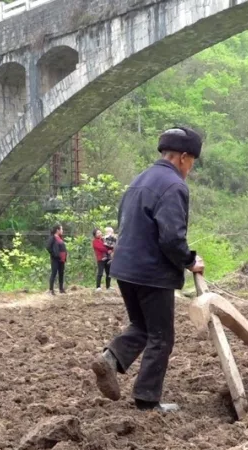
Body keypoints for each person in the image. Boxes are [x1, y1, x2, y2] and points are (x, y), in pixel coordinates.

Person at [90, 127, 205, 413]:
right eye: (192, 162)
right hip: (152, 273)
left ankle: (111, 359)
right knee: (162, 336)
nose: (190, 168)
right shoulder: (174, 186)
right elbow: (171, 236)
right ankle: (147, 399)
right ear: (183, 157)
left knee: (141, 327)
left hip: (124, 269)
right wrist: (190, 260)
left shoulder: (139, 180)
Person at [46, 223, 67, 295]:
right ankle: (51, 289)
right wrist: (54, 254)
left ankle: (61, 289)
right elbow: (48, 247)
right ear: (57, 230)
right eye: (61, 229)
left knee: (61, 273)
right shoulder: (52, 237)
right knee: (54, 273)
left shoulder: (60, 237)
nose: (62, 230)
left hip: (62, 259)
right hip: (55, 259)